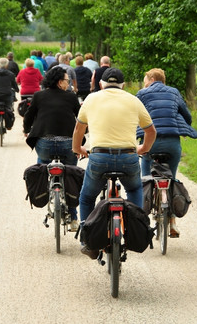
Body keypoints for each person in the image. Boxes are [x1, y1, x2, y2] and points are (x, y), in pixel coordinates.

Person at [72, 67, 157, 258]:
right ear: (123, 85)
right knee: (134, 190)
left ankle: (87, 241)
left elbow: (78, 129)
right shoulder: (134, 100)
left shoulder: (91, 99)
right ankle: (133, 231)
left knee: (87, 197)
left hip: (99, 157)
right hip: (128, 157)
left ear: (101, 84)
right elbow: (151, 131)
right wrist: (143, 149)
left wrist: (78, 149)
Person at [136, 68, 197, 237]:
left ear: (151, 78)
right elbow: (187, 116)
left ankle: (142, 222)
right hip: (172, 144)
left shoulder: (142, 94)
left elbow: (134, 116)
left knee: (145, 179)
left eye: (145, 78)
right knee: (171, 178)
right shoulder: (174, 92)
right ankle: (172, 221)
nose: (144, 82)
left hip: (151, 143)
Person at [23, 66, 81, 231]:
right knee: (71, 175)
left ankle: (44, 193)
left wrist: (27, 130)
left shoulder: (39, 96)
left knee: (42, 167)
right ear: (59, 81)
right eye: (67, 81)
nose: (68, 84)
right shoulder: (71, 97)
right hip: (68, 144)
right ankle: (74, 218)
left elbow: (29, 115)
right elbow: (81, 118)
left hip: (45, 144)